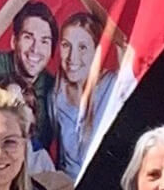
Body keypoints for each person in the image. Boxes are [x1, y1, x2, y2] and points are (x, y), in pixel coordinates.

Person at [0, 1, 59, 159]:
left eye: (44, 41)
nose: (35, 49)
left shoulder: (52, 87)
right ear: (14, 41)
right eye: (28, 37)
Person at [50, 12, 120, 180]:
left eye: (82, 47)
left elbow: (125, 46)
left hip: (102, 184)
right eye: (66, 45)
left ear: (97, 51)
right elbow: (59, 156)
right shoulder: (56, 95)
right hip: (66, 187)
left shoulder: (113, 86)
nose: (72, 57)